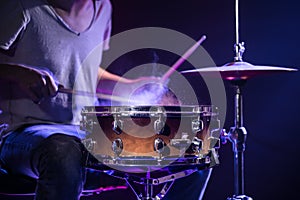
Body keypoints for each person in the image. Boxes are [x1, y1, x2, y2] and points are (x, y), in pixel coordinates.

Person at [0, 0, 211, 199]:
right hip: (21, 133)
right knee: (63, 150)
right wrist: (18, 73)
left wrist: (129, 85)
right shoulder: (20, 6)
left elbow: (87, 71)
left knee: (190, 152)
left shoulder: (102, 8)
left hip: (86, 133)